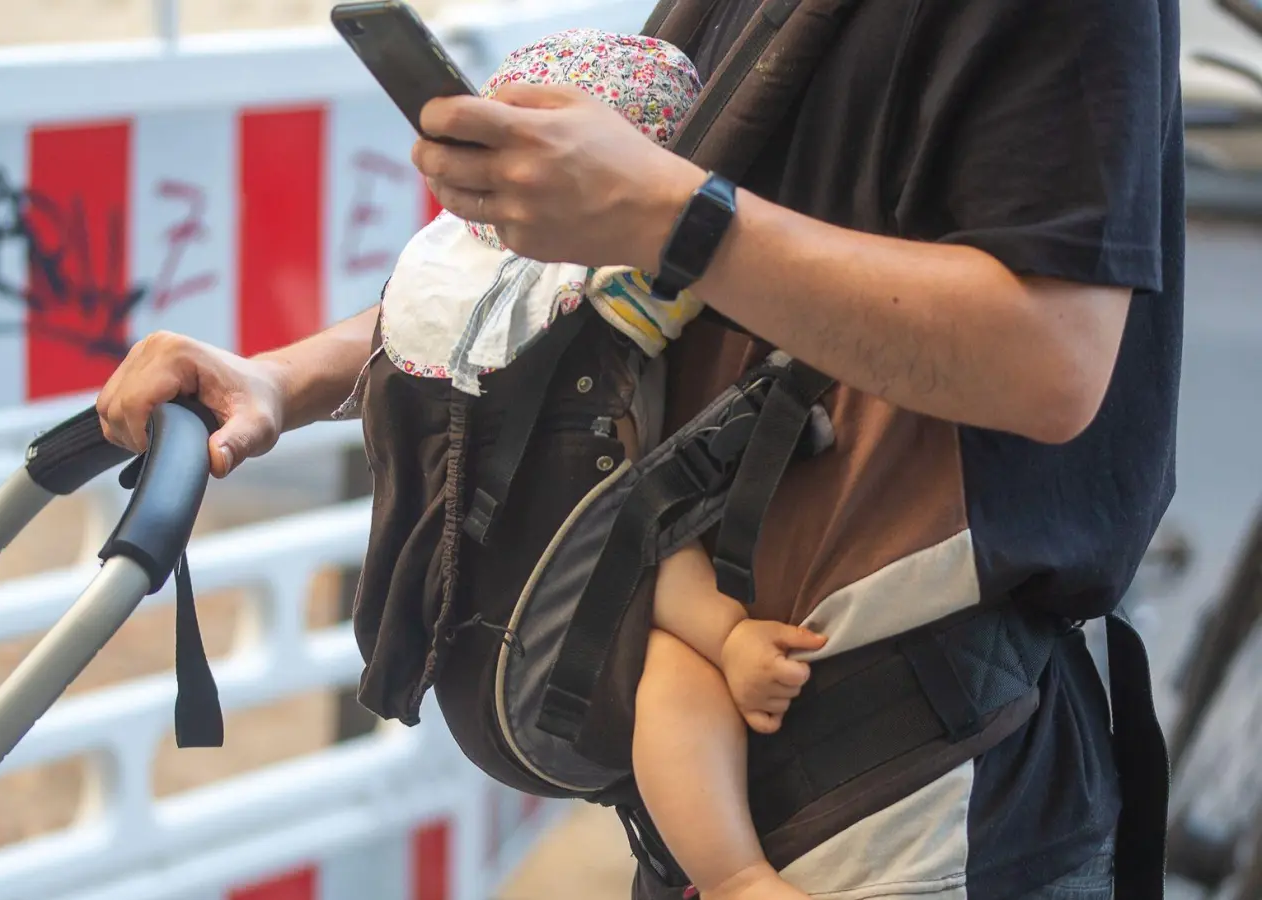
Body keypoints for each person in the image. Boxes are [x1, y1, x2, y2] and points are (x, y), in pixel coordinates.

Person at [97, 0, 1183, 895]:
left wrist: (673, 217)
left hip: (904, 790)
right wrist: (284, 378)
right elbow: (588, 292)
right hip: (706, 782)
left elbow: (1049, 362)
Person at [357, 27, 826, 899]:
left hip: (475, 642)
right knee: (676, 664)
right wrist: (726, 635)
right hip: (589, 614)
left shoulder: (450, 278)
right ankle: (735, 877)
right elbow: (632, 521)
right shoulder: (613, 287)